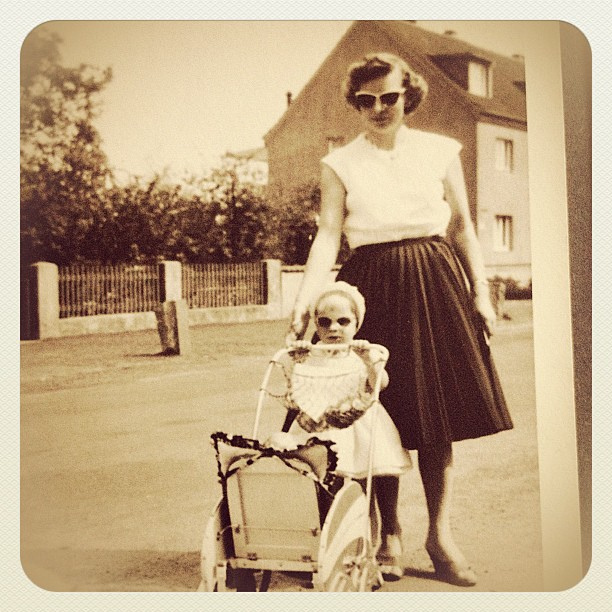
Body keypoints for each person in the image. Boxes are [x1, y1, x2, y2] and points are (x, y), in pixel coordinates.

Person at [286, 52, 513, 587]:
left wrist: (481, 292)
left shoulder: (440, 151)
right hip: (371, 285)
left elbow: (463, 228)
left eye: (389, 97)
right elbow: (328, 234)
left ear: (407, 94)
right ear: (356, 105)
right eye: (366, 101)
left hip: (436, 279)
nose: (379, 108)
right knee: (374, 416)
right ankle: (389, 531)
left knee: (435, 415)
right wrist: (306, 298)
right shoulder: (340, 162)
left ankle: (440, 534)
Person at [269, 281, 411, 578]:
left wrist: (368, 363)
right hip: (322, 427)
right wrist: (297, 364)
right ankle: (328, 544)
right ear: (317, 326)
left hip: (360, 424)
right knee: (323, 485)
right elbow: (297, 392)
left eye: (343, 322)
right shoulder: (311, 354)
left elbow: (379, 385)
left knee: (377, 472)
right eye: (325, 322)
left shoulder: (362, 353)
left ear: (356, 324)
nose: (334, 329)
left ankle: (385, 534)